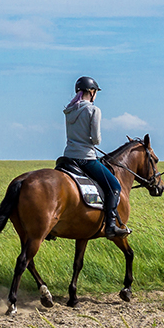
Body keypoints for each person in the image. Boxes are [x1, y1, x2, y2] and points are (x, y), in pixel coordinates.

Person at [63, 76, 129, 239]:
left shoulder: (69, 110)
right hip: (85, 158)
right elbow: (96, 139)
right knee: (114, 186)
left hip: (68, 157)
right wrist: (92, 141)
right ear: (91, 92)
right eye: (95, 92)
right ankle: (111, 226)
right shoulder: (93, 110)